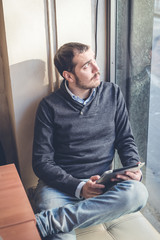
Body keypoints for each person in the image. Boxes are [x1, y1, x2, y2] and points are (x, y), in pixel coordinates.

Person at [32, 42, 148, 240]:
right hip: (59, 186)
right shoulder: (49, 106)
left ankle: (52, 221)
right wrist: (79, 187)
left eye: (94, 60)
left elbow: (125, 139)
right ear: (68, 76)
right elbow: (41, 162)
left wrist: (132, 168)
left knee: (138, 194)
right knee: (58, 234)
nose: (97, 69)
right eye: (86, 66)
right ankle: (58, 219)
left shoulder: (113, 93)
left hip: (103, 183)